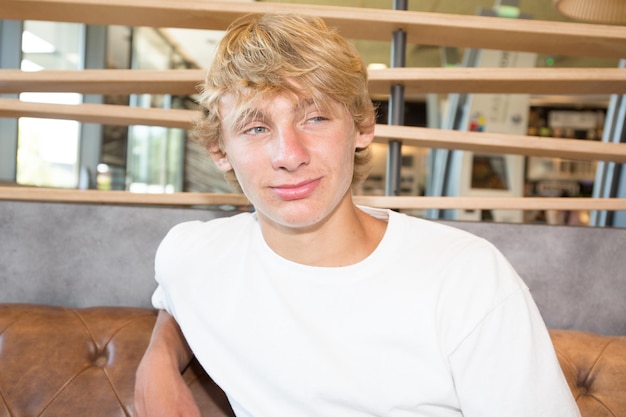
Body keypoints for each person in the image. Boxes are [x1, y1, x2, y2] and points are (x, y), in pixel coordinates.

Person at [134, 13, 580, 417]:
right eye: (256, 128)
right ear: (220, 151)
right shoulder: (192, 254)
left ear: (362, 127)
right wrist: (159, 361)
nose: (289, 155)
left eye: (315, 118)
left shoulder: (465, 276)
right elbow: (177, 295)